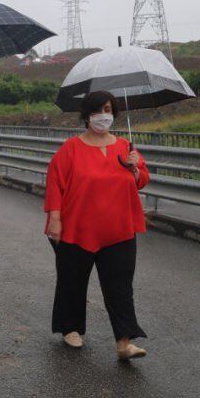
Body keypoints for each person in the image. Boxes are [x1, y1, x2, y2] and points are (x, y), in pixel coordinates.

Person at [43, 90, 149, 360]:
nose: (105, 115)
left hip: (119, 230)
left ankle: (124, 342)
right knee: (72, 281)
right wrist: (55, 219)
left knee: (120, 286)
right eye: (99, 110)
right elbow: (55, 183)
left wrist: (136, 169)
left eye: (109, 109)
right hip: (78, 228)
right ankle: (71, 328)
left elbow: (141, 180)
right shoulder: (71, 149)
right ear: (87, 115)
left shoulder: (126, 148)